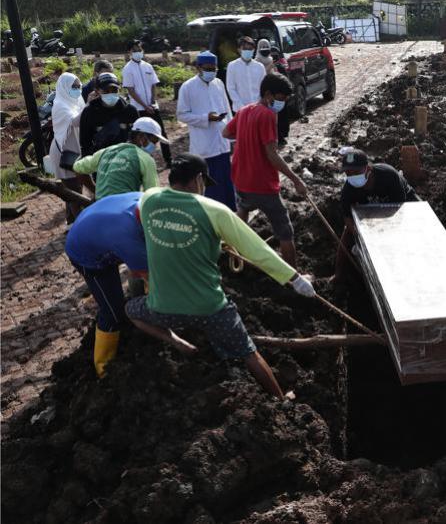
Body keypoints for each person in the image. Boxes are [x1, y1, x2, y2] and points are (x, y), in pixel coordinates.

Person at [125, 153, 316, 398]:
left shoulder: (149, 199)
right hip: (210, 309)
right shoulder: (215, 210)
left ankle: (178, 342)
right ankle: (281, 399)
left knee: (131, 309)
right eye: (204, 183)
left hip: (163, 310)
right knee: (249, 353)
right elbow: (257, 249)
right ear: (197, 179)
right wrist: (295, 278)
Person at [222, 73, 306, 267]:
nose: (282, 103)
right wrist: (296, 180)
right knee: (285, 231)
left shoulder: (244, 111)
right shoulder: (268, 115)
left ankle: (237, 259)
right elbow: (272, 155)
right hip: (262, 184)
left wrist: (246, 135)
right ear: (268, 94)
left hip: (241, 179)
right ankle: (293, 276)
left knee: (242, 212)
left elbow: (226, 132)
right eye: (280, 99)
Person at [65, 192, 148, 377]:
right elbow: (147, 275)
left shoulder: (148, 199)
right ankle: (103, 368)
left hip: (96, 229)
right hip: (85, 254)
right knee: (112, 311)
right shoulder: (126, 236)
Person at [335, 149, 419, 281]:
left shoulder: (388, 175)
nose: (351, 176)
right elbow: (348, 219)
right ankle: (338, 274)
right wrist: (361, 239)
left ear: (368, 169)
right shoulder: (349, 189)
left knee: (413, 230)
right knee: (347, 234)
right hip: (370, 207)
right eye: (348, 173)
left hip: (402, 203)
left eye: (356, 172)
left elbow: (400, 212)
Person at [177, 51, 236, 210]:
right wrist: (205, 118)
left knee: (226, 183)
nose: (211, 72)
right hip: (204, 145)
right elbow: (182, 115)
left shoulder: (218, 84)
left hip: (222, 142)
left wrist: (232, 136)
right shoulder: (188, 87)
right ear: (198, 67)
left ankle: (229, 214)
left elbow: (227, 109)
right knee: (210, 187)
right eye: (208, 68)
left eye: (214, 69)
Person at [73, 117, 166, 199]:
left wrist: (96, 192)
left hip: (99, 209)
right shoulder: (145, 159)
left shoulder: (106, 151)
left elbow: (77, 168)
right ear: (141, 137)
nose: (154, 146)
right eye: (154, 142)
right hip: (125, 211)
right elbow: (152, 196)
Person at [122, 40, 171, 167]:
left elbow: (153, 84)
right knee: (142, 136)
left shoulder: (147, 66)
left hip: (152, 106)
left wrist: (152, 101)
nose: (138, 52)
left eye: (139, 50)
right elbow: (131, 90)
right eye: (134, 50)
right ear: (129, 52)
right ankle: (144, 162)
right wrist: (145, 106)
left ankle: (169, 160)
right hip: (139, 108)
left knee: (161, 133)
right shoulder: (127, 69)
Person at [50, 72, 85, 224]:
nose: (78, 89)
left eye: (79, 86)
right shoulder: (60, 105)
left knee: (72, 191)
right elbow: (75, 122)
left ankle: (71, 223)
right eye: (74, 86)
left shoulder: (76, 101)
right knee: (74, 191)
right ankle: (80, 226)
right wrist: (89, 107)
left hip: (74, 151)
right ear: (64, 87)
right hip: (64, 153)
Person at [79, 72, 140, 157]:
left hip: (126, 158)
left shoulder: (130, 110)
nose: (110, 93)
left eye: (114, 90)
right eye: (106, 91)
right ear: (97, 91)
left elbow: (138, 138)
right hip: (100, 160)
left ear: (119, 90)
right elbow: (85, 143)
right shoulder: (89, 112)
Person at [226, 36, 266, 114]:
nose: (247, 51)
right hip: (239, 110)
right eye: (244, 49)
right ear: (239, 50)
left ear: (254, 50)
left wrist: (259, 105)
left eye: (250, 49)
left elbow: (263, 88)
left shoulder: (260, 67)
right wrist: (241, 107)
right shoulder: (232, 66)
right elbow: (231, 88)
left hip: (257, 109)